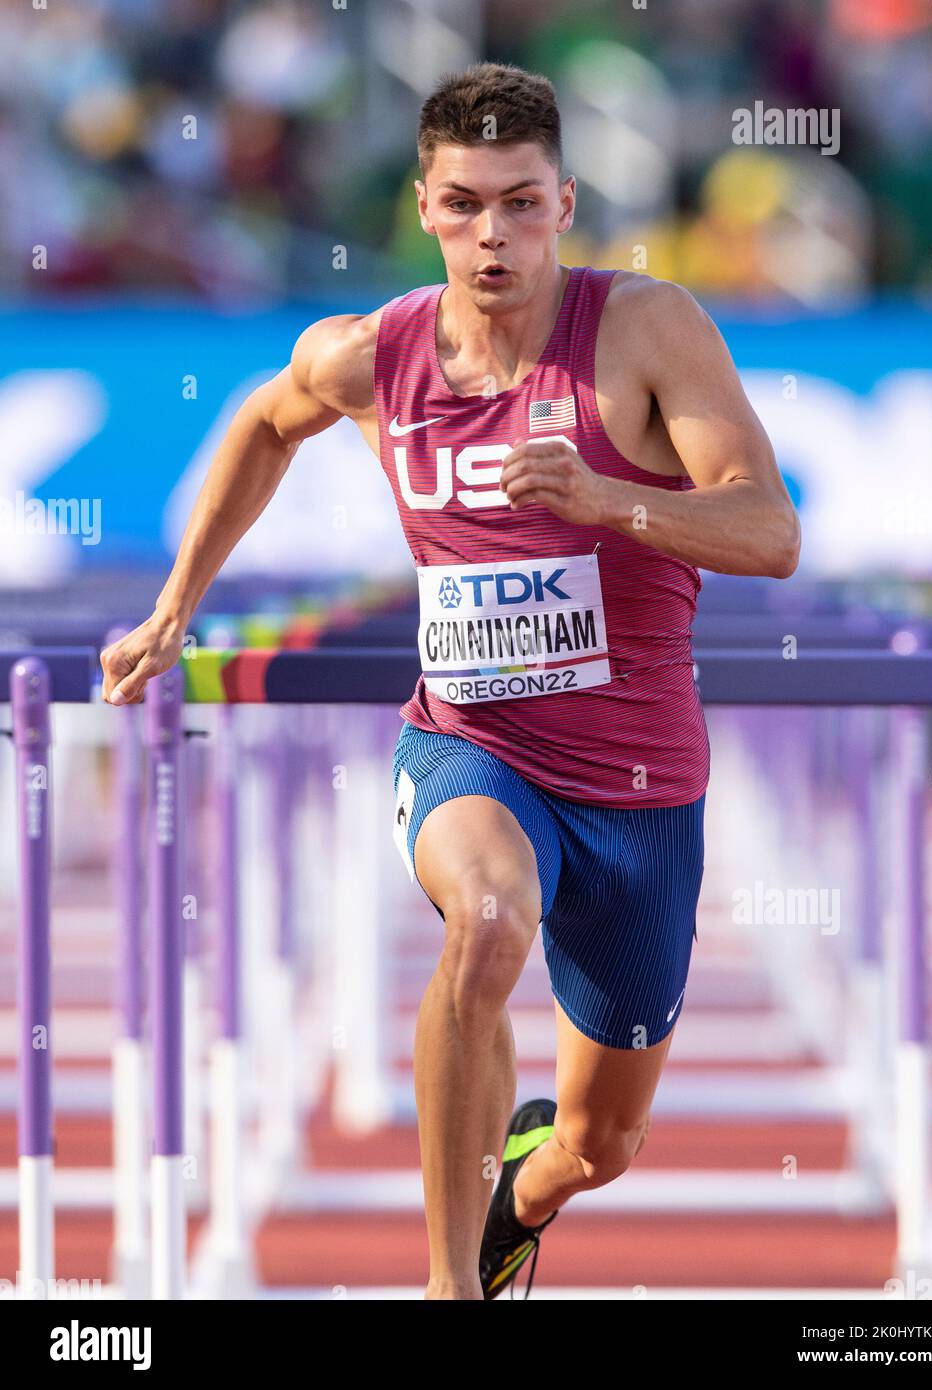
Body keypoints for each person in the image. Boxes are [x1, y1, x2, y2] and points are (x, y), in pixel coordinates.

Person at [101, 61, 800, 1301]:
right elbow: (264, 425)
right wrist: (175, 605)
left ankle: (519, 1194)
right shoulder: (374, 354)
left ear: (566, 203)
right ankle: (447, 1288)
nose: (494, 235)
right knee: (482, 923)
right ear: (424, 208)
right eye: (466, 204)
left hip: (639, 786)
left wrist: (605, 499)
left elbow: (767, 534)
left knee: (605, 1143)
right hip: (471, 746)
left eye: (522, 203)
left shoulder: (645, 329)